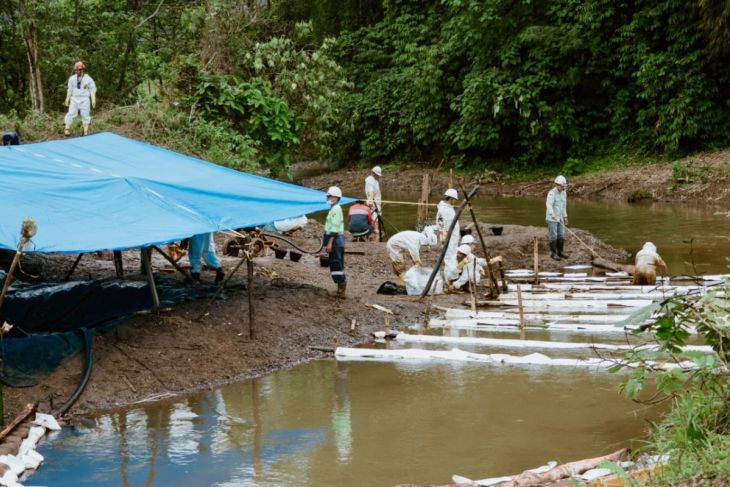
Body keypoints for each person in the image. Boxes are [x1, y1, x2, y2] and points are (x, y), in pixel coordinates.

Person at [324, 186, 347, 296]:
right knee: (337, 263)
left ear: (337, 198)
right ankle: (340, 288)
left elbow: (335, 228)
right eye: (328, 196)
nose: (329, 198)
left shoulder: (336, 209)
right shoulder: (334, 208)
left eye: (331, 197)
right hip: (337, 241)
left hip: (335, 241)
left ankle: (341, 290)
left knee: (336, 263)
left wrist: (330, 243)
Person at [64, 61, 97, 136]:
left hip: (84, 99)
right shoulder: (72, 79)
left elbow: (92, 90)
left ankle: (85, 132)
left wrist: (93, 100)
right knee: (71, 113)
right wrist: (67, 99)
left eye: (80, 69)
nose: (79, 71)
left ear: (83, 69)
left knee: (85, 115)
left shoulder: (88, 79)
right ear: (75, 70)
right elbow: (70, 90)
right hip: (74, 98)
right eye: (77, 70)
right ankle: (67, 129)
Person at [437, 188, 460, 281]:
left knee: (451, 256)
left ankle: (449, 277)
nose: (455, 201)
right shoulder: (444, 209)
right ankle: (451, 277)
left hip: (451, 237)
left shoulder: (448, 208)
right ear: (451, 199)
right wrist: (444, 233)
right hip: (448, 237)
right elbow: (441, 223)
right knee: (450, 256)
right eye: (454, 200)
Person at [546, 175, 569, 261]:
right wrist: (552, 214)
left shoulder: (564, 193)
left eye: (564, 186)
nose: (563, 188)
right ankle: (553, 254)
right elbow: (548, 204)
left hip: (560, 218)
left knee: (561, 234)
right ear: (557, 185)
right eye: (562, 186)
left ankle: (560, 252)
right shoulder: (552, 193)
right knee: (553, 235)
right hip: (552, 218)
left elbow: (564, 206)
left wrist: (565, 216)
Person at [364, 166, 383, 241]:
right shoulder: (370, 181)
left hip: (377, 201)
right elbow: (370, 192)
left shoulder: (376, 180)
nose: (378, 176)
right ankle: (375, 231)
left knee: (377, 215)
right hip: (373, 202)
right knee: (374, 215)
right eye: (377, 174)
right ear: (373, 173)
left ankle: (376, 230)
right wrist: (370, 201)